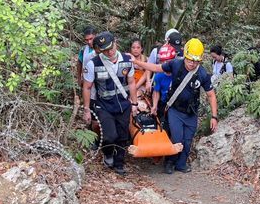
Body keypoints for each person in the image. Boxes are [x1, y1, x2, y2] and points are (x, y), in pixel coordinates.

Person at [132, 38, 218, 174]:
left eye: (195, 61)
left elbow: (211, 95)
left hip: (191, 112)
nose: (192, 64)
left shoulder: (202, 74)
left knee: (188, 140)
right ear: (185, 56)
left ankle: (181, 164)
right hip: (175, 110)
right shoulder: (175, 64)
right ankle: (169, 162)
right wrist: (136, 62)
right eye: (190, 60)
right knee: (177, 138)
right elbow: (156, 68)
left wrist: (214, 116)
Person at [83, 31, 138, 176]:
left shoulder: (127, 60)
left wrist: (134, 104)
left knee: (122, 136)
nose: (109, 52)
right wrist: (87, 109)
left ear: (115, 42)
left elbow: (131, 82)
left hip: (123, 104)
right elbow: (87, 87)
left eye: (111, 47)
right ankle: (107, 152)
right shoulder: (93, 63)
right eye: (105, 50)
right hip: (104, 105)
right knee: (109, 136)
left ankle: (119, 163)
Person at [150, 43, 177, 133]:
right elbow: (156, 92)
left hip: (176, 104)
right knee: (164, 127)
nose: (165, 64)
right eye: (163, 62)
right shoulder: (159, 76)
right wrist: (154, 106)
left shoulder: (178, 73)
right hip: (164, 103)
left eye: (168, 62)